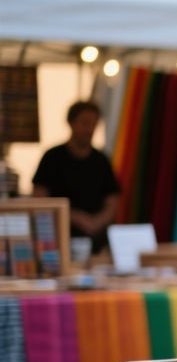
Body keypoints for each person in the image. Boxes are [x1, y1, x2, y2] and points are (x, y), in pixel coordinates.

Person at [31, 101, 121, 253]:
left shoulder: (101, 160)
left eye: (94, 124)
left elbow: (113, 201)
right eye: (85, 123)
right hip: (58, 243)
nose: (89, 129)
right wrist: (73, 216)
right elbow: (39, 201)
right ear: (71, 123)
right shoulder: (52, 158)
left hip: (96, 244)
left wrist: (98, 221)